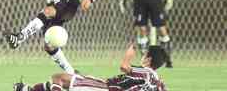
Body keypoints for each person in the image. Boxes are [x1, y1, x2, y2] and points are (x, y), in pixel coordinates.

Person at [13, 44, 168, 91]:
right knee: (70, 78)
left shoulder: (146, 72)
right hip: (104, 84)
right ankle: (27, 90)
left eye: (144, 54)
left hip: (106, 89)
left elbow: (124, 67)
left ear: (148, 59)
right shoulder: (158, 82)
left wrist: (129, 52)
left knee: (59, 78)